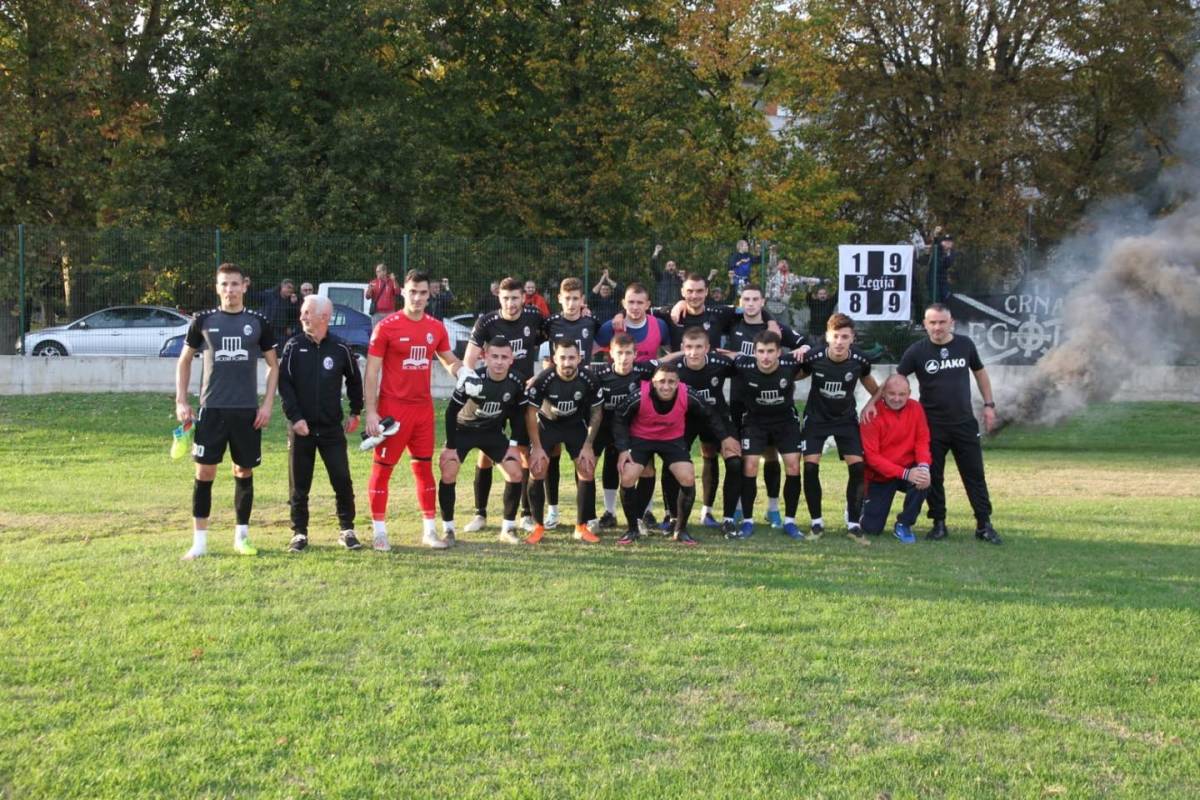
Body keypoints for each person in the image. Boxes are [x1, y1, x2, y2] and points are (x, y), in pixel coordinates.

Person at [175, 262, 279, 560]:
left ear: (244, 286)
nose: (230, 290)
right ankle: (199, 543)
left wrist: (267, 404)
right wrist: (181, 400)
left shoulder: (258, 322)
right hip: (212, 410)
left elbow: (274, 366)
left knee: (243, 470)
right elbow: (184, 360)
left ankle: (241, 538)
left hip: (246, 411)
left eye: (235, 284)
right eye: (224, 284)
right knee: (204, 471)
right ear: (217, 287)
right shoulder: (202, 320)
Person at [363, 269, 473, 551]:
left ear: (429, 294)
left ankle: (429, 531)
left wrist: (463, 373)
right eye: (413, 292)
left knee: (424, 468)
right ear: (403, 292)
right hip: (393, 409)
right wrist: (372, 412)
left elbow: (448, 359)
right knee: (383, 470)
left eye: (423, 292)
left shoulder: (435, 327)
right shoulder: (386, 326)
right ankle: (379, 532)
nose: (418, 298)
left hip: (423, 411)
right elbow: (372, 371)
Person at [873, 302, 1000, 544]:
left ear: (951, 323)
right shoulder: (917, 351)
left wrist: (989, 405)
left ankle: (984, 524)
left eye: (942, 322)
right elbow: (894, 382)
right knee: (933, 476)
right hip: (931, 426)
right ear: (925, 324)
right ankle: (939, 523)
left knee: (974, 474)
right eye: (933, 322)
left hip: (964, 423)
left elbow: (980, 373)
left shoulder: (965, 345)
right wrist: (872, 404)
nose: (938, 327)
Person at [611, 362, 739, 545]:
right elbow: (619, 417)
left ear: (678, 382)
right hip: (641, 439)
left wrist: (725, 438)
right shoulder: (639, 395)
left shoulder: (688, 394)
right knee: (628, 476)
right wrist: (623, 449)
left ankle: (680, 529)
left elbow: (709, 414)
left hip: (671, 440)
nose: (666, 386)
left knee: (687, 477)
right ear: (653, 382)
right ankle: (632, 529)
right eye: (661, 381)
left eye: (671, 382)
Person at [277, 295, 363, 552]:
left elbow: (354, 380)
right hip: (301, 428)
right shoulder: (293, 346)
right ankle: (299, 533)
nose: (302, 317)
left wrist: (355, 411)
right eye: (303, 312)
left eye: (307, 312)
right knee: (299, 484)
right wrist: (295, 418)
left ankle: (347, 530)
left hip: (331, 429)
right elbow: (284, 385)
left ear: (324, 317)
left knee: (342, 479)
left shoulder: (340, 348)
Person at [461, 277, 547, 533]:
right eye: (506, 298)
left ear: (523, 298)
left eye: (515, 298)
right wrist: (473, 385)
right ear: (499, 297)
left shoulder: (534, 316)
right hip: (493, 395)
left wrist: (542, 374)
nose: (511, 303)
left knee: (523, 451)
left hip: (521, 395)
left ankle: (525, 514)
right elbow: (469, 359)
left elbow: (559, 334)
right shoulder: (487, 321)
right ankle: (480, 514)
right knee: (485, 453)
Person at [720, 284, 807, 529]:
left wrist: (803, 349)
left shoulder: (775, 328)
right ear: (740, 301)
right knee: (742, 459)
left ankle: (773, 509)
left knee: (771, 455)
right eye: (746, 299)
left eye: (755, 299)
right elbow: (709, 330)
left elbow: (805, 345)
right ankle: (740, 508)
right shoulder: (732, 322)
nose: (750, 304)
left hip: (776, 408)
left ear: (763, 301)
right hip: (742, 403)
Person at [798, 313, 879, 545]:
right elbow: (790, 375)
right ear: (827, 337)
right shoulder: (813, 357)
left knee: (858, 467)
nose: (840, 341)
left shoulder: (860, 361)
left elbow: (876, 390)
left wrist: (870, 405)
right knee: (810, 467)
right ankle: (816, 522)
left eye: (845, 337)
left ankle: (853, 524)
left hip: (845, 420)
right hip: (816, 419)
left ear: (852, 338)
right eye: (835, 336)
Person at [437, 337, 527, 545]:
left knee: (515, 472)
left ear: (511, 359)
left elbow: (518, 414)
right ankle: (448, 530)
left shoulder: (517, 381)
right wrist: (450, 446)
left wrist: (513, 445)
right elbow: (451, 412)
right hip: (463, 430)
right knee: (448, 471)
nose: (499, 362)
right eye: (494, 356)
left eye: (504, 357)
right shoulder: (472, 379)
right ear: (484, 357)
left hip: (491, 432)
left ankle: (508, 528)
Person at [660, 327, 741, 536]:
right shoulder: (674, 368)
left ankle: (726, 518)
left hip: (717, 418)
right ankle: (672, 516)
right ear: (682, 348)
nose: (694, 352)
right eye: (689, 347)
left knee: (734, 461)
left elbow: (749, 363)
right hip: (684, 421)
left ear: (707, 348)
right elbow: (654, 366)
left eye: (698, 347)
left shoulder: (719, 363)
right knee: (671, 463)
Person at [524, 340, 604, 544]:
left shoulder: (589, 379)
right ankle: (538, 526)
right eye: (562, 358)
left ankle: (581, 527)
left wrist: (588, 445)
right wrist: (537, 447)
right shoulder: (543, 379)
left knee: (586, 468)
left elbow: (596, 413)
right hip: (547, 425)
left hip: (574, 426)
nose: (567, 362)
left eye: (571, 357)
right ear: (554, 359)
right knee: (537, 468)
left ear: (579, 358)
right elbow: (530, 413)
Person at [733, 330, 807, 540]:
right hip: (755, 422)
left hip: (785, 422)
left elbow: (817, 354)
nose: (765, 357)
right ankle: (748, 521)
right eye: (761, 351)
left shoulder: (790, 363)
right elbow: (724, 356)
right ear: (754, 352)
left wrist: (806, 347)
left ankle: (790, 522)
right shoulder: (744, 364)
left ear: (779, 352)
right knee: (750, 465)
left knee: (793, 465)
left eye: (770, 351)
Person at [540, 277, 600, 527]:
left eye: (576, 299)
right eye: (568, 299)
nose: (572, 303)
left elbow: (613, 333)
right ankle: (552, 511)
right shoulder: (550, 323)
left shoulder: (591, 321)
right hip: (554, 393)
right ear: (560, 299)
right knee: (550, 455)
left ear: (582, 300)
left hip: (582, 394)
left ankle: (587, 515)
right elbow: (537, 345)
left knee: (583, 458)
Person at [588, 333, 659, 529]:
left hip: (634, 428)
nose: (624, 358)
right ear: (611, 353)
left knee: (646, 468)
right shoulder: (598, 373)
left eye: (628, 353)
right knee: (591, 466)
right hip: (603, 427)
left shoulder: (644, 370)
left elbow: (671, 363)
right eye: (619, 353)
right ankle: (606, 513)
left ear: (635, 354)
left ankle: (645, 513)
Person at [859, 374, 931, 543]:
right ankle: (859, 505)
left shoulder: (916, 408)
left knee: (924, 477)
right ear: (883, 392)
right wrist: (905, 473)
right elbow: (872, 458)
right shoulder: (870, 414)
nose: (897, 399)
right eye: (892, 393)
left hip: (907, 469)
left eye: (902, 394)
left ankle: (904, 524)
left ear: (909, 393)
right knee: (871, 529)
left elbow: (922, 440)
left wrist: (923, 467)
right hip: (880, 475)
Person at [595, 283, 670, 361]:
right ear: (624, 303)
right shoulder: (610, 327)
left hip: (651, 369)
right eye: (631, 302)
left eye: (640, 303)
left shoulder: (659, 326)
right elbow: (588, 352)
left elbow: (672, 354)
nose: (635, 307)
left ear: (647, 305)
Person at [929, 233, 956, 303]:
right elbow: (935, 243)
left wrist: (947, 253)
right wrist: (935, 235)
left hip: (943, 278)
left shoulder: (951, 252)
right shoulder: (938, 249)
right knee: (935, 297)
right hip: (933, 277)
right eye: (945, 241)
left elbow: (948, 263)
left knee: (945, 296)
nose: (947, 243)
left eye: (949, 241)